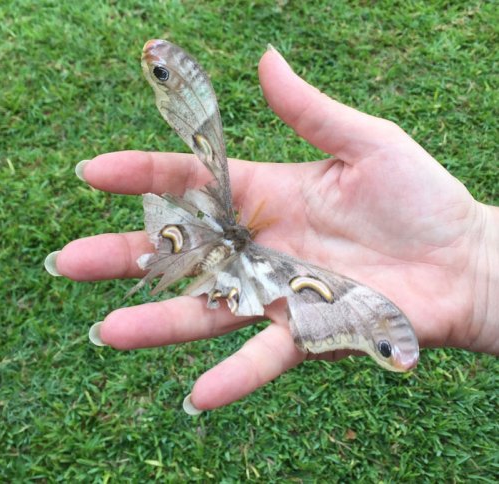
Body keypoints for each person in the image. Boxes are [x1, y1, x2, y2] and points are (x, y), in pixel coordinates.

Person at [44, 46, 498, 414]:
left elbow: (378, 317)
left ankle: (169, 255)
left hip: (228, 255)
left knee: (175, 246)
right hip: (243, 265)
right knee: (199, 182)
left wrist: (474, 256)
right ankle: (170, 260)